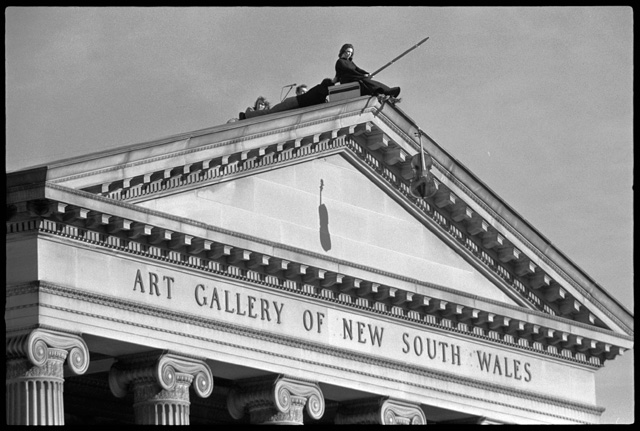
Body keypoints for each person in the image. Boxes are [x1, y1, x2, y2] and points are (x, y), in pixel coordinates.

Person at [240, 78, 334, 120]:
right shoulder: (320, 91)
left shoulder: (319, 91)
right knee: (271, 113)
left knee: (272, 113)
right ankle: (247, 116)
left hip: (295, 104)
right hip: (293, 103)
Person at [334, 43, 401, 100]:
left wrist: (367, 73)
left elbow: (358, 69)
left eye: (351, 53)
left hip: (355, 78)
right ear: (343, 51)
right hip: (348, 80)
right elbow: (350, 71)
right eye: (348, 51)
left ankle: (384, 92)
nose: (349, 54)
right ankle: (384, 92)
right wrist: (362, 76)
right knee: (364, 80)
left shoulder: (350, 62)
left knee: (368, 81)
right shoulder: (340, 62)